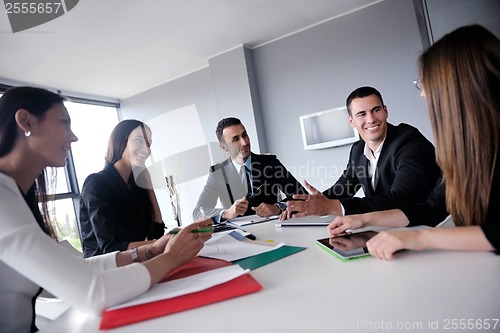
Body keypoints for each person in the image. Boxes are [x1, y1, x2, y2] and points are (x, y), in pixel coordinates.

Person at [0, 86, 212, 332]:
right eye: (64, 123)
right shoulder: (8, 199)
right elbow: (94, 292)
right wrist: (171, 258)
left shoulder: (16, 195)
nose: (73, 136)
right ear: (25, 121)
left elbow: (76, 269)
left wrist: (149, 251)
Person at [328, 25, 500, 259]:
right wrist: (362, 219)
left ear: (459, 86)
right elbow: (431, 208)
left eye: (427, 82)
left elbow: (404, 198)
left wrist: (421, 238)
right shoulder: (467, 148)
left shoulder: (409, 142)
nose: (423, 93)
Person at [283, 86, 440, 220]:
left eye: (376, 110)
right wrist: (307, 205)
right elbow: (343, 189)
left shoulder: (409, 142)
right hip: (384, 229)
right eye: (361, 114)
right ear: (351, 121)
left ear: (385, 111)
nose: (371, 119)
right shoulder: (358, 150)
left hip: (423, 227)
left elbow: (402, 198)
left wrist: (335, 207)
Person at [193, 117, 307, 221]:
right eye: (236, 139)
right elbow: (198, 212)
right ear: (224, 147)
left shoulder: (270, 163)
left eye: (244, 135)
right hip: (237, 236)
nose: (244, 142)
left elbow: (303, 195)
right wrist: (226, 213)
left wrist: (278, 207)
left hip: (272, 229)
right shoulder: (217, 173)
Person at [79, 120, 165, 258]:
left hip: (134, 263)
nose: (146, 149)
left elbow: (156, 231)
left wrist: (149, 186)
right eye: (139, 141)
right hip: (104, 269)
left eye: (148, 144)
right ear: (120, 141)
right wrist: (159, 243)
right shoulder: (96, 183)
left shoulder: (136, 185)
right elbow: (111, 247)